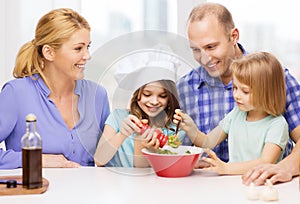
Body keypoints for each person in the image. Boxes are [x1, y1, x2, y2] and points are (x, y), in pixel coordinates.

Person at [177, 2, 300, 164]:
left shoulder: (275, 78)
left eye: (211, 46)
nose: (204, 58)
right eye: (196, 50)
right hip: (206, 183)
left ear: (233, 36)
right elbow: (182, 146)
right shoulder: (184, 87)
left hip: (266, 183)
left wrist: (285, 169)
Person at [0, 8, 110, 169]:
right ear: (49, 52)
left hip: (89, 193)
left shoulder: (97, 95)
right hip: (35, 192)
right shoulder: (16, 93)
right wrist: (36, 160)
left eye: (88, 47)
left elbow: (110, 159)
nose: (87, 56)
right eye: (78, 48)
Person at [174, 52, 289, 175]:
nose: (236, 95)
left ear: (268, 92)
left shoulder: (277, 124)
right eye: (235, 88)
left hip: (260, 186)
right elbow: (208, 142)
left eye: (245, 91)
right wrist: (191, 129)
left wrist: (226, 168)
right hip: (232, 183)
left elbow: (266, 162)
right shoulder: (236, 114)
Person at [94, 49, 184, 167]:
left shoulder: (175, 128)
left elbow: (145, 175)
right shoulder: (118, 117)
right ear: (137, 94)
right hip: (114, 184)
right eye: (147, 94)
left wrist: (144, 146)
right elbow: (99, 160)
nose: (154, 101)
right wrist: (122, 134)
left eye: (162, 96)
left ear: (170, 98)